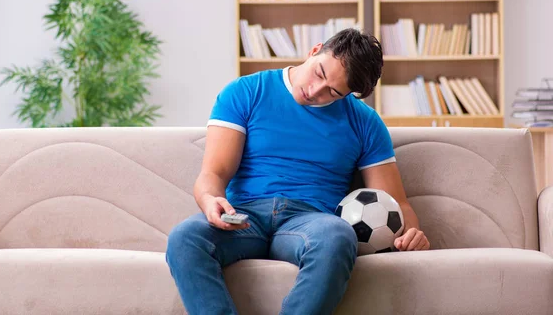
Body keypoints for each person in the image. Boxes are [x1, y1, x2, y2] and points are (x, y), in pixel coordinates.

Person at [166, 28, 430, 315]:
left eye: (333, 92)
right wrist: (209, 200)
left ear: (348, 95)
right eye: (319, 73)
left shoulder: (365, 122)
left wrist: (413, 233)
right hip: (244, 217)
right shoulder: (246, 92)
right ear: (314, 50)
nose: (315, 91)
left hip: (310, 222)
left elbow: (396, 203)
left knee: (338, 236)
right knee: (185, 238)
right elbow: (213, 174)